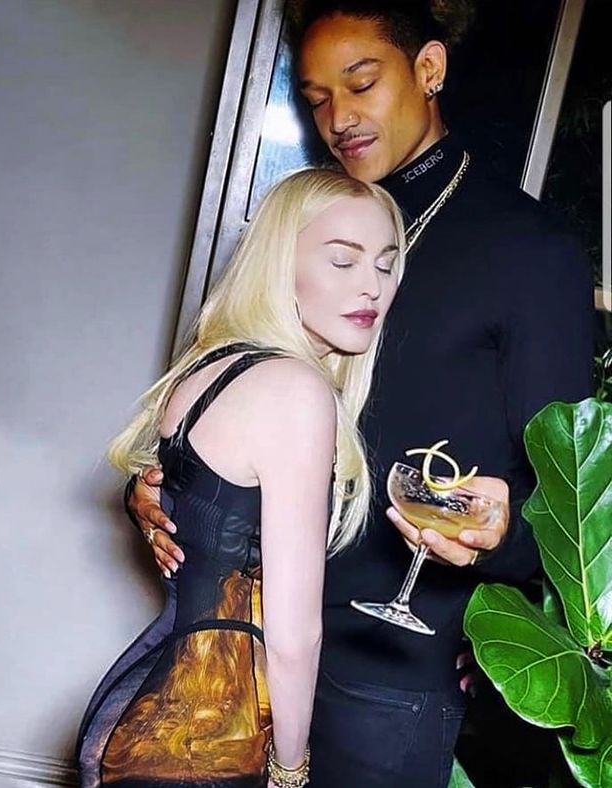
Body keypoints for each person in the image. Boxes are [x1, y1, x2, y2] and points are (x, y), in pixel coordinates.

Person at [125, 1, 594, 786]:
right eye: (317, 98)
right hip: (247, 651)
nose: (338, 118)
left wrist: (503, 538)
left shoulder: (531, 252)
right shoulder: (309, 223)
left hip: (397, 673)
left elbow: (570, 498)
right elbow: (230, 390)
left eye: (361, 82)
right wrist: (167, 489)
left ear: (429, 70)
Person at [75, 169, 405, 788]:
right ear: (279, 265)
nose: (373, 286)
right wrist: (291, 769)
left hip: (146, 714)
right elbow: (293, 634)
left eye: (386, 264)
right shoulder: (293, 391)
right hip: (202, 742)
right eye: (343, 261)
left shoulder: (212, 367)